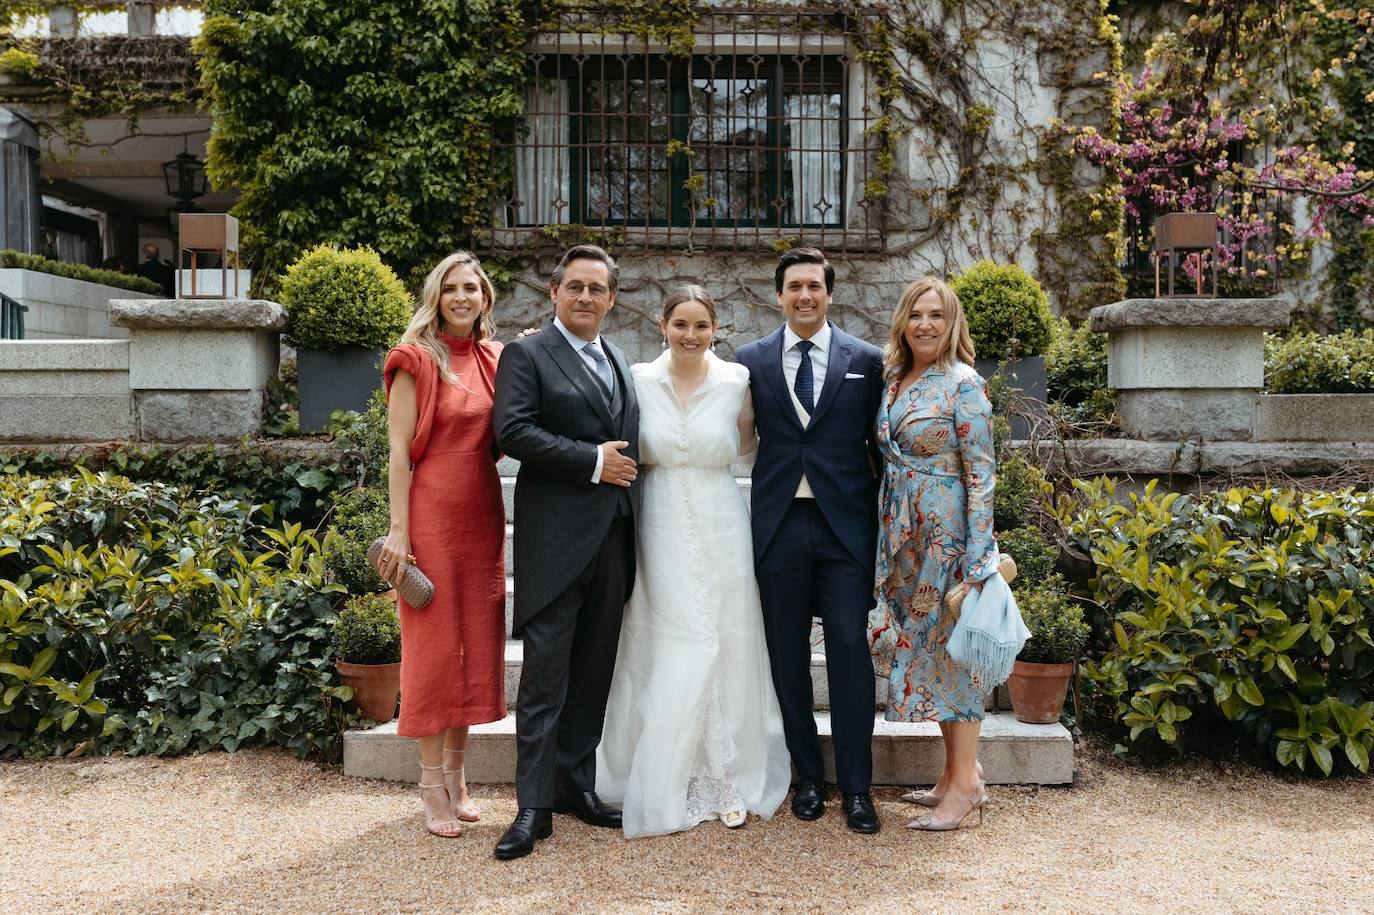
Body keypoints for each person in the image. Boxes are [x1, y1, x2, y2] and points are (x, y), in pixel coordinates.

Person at [596, 286, 791, 837]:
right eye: (680, 323)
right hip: (656, 520)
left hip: (721, 519)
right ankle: (664, 771)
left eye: (700, 325)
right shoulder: (637, 377)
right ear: (663, 324)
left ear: (715, 327)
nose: (690, 335)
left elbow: (749, 447)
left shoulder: (736, 381)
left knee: (726, 636)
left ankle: (732, 773)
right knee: (674, 636)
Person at [491, 243, 642, 860]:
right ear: (554, 292)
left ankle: (576, 785)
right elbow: (513, 431)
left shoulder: (620, 358)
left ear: (611, 298)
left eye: (596, 289)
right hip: (555, 542)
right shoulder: (528, 352)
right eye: (574, 287)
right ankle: (533, 806)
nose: (585, 298)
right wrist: (591, 461)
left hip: (615, 537)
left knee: (593, 671)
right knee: (545, 679)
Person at [735, 246, 886, 834]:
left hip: (845, 527)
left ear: (829, 293)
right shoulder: (750, 360)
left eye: (814, 287)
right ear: (779, 295)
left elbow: (882, 442)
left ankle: (856, 786)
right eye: (793, 286)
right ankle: (806, 776)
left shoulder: (867, 360)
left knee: (850, 646)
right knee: (787, 653)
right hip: (778, 525)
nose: (804, 296)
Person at [375, 250, 508, 838]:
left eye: (471, 289)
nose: (461, 297)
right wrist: (400, 533)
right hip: (429, 515)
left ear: (484, 300)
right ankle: (430, 787)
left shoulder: (493, 358)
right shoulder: (415, 359)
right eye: (451, 288)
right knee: (433, 651)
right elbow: (398, 454)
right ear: (436, 295)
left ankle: (458, 779)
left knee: (473, 647)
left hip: (482, 514)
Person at [875, 276, 998, 831]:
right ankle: (957, 778)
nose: (925, 324)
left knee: (956, 660)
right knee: (929, 655)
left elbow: (983, 476)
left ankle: (963, 790)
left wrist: (978, 560)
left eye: (937, 316)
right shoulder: (896, 377)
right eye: (917, 314)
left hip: (947, 537)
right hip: (904, 535)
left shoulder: (964, 384)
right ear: (903, 320)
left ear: (953, 325)